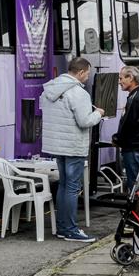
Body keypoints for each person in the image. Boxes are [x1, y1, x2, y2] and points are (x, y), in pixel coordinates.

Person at [40, 57, 105, 243]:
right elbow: (85, 121)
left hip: (57, 146)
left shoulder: (50, 89)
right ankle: (70, 229)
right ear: (82, 72)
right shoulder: (79, 93)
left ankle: (62, 227)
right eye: (88, 73)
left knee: (63, 185)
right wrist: (98, 114)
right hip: (73, 146)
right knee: (72, 188)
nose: (88, 77)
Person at [113, 66, 139, 193]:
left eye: (121, 78)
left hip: (134, 149)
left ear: (131, 78)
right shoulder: (138, 95)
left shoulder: (136, 98)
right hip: (138, 147)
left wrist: (117, 139)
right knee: (138, 183)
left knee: (136, 186)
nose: (119, 81)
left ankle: (137, 211)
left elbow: (128, 124)